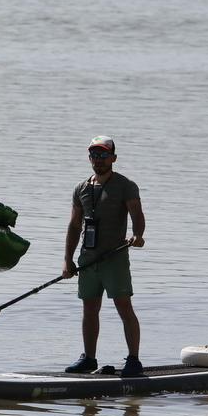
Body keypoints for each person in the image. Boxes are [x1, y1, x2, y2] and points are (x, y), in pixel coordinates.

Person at [62, 136, 146, 376]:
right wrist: (67, 260)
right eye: (94, 155)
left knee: (123, 306)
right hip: (88, 259)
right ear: (90, 158)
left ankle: (134, 360)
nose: (98, 160)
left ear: (113, 158)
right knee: (89, 308)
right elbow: (74, 225)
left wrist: (137, 235)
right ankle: (89, 358)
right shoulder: (81, 188)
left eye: (103, 155)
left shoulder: (125, 185)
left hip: (115, 258)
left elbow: (137, 215)